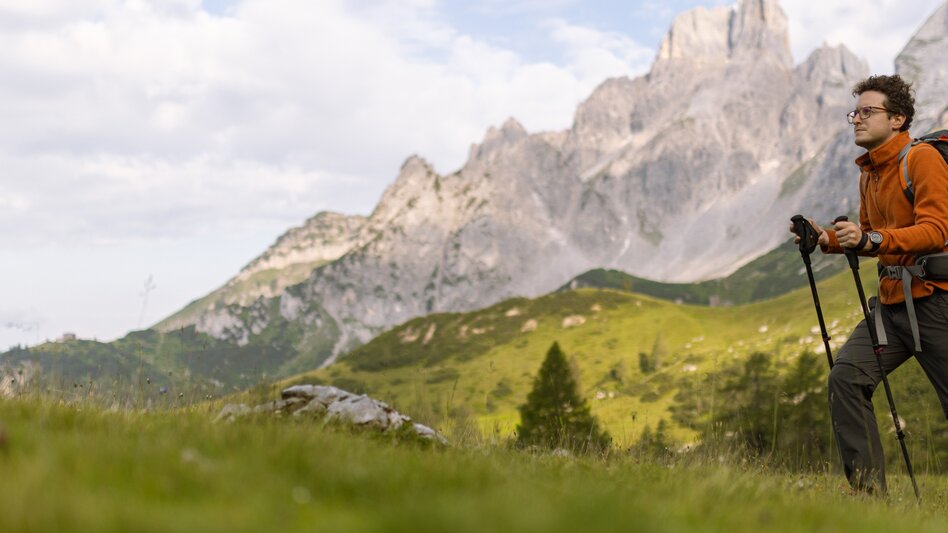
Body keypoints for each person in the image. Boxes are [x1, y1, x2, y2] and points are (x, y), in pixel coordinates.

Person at [792, 74, 948, 494]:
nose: (857, 119)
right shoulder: (870, 174)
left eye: (868, 111)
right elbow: (868, 236)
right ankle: (869, 501)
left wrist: (874, 239)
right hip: (892, 307)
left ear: (897, 118)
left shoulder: (922, 160)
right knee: (846, 379)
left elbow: (936, 230)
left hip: (937, 304)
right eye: (854, 113)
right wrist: (825, 238)